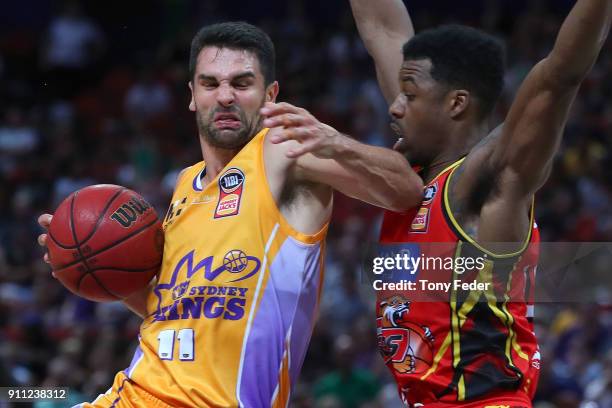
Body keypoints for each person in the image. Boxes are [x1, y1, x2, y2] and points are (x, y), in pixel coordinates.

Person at [37, 22, 423, 407]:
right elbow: (171, 310)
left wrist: (336, 142)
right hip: (133, 394)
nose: (225, 96)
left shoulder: (282, 152)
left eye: (241, 84)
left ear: (270, 94)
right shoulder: (185, 184)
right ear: (192, 95)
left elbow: (405, 190)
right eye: (210, 84)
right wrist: (87, 261)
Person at [350, 0, 611, 406]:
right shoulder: (416, 169)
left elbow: (560, 75)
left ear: (455, 104)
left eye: (409, 95)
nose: (394, 105)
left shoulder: (486, 181)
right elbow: (382, 29)